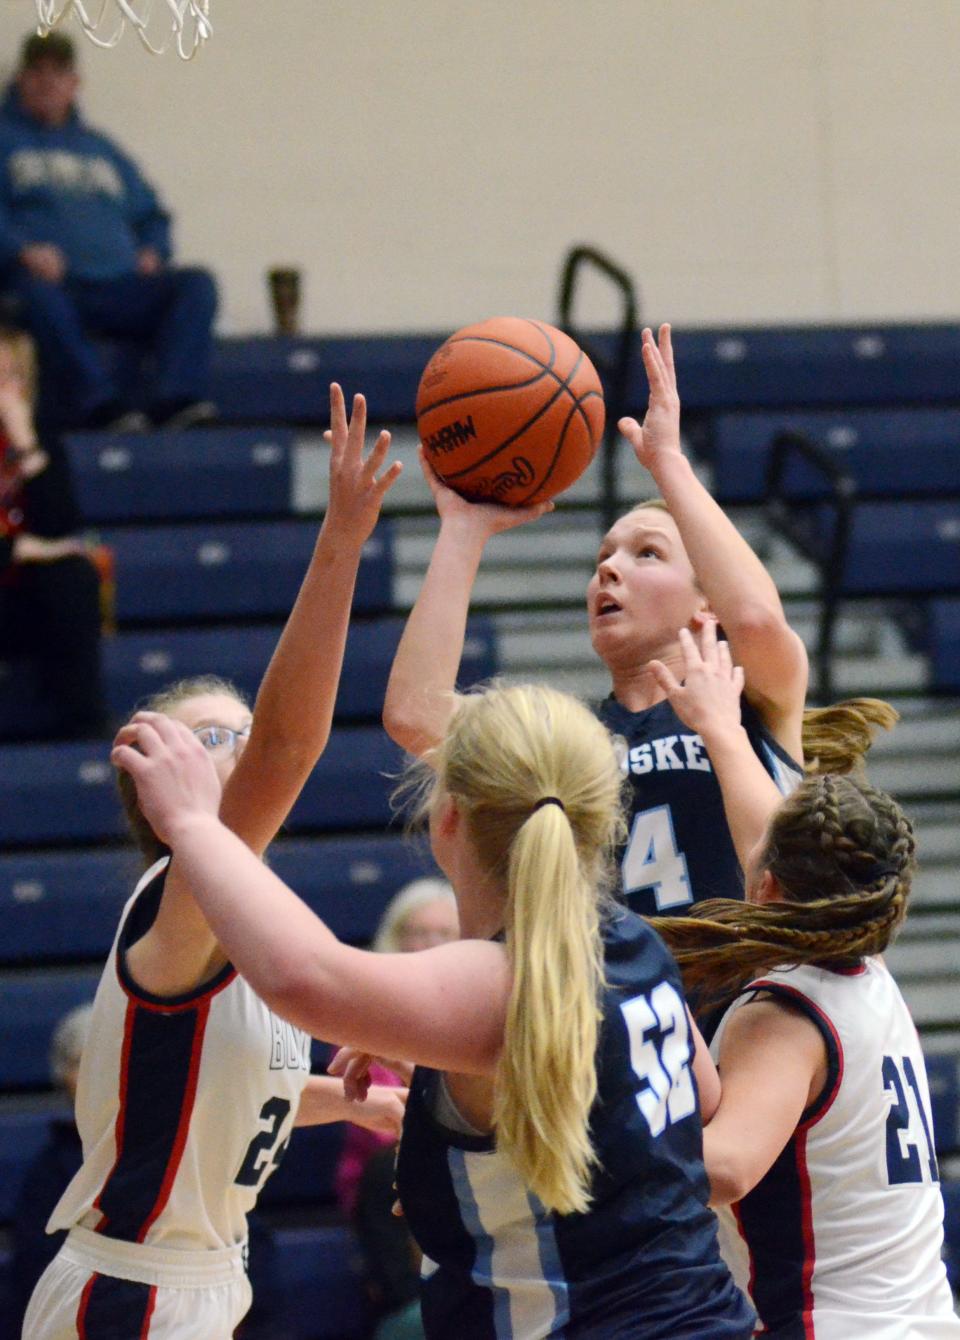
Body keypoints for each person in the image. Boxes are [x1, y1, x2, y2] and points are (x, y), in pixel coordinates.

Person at [111, 681, 756, 1339]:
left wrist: (192, 823)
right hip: (703, 1312)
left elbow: (302, 976)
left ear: (447, 818)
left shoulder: (495, 987)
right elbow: (688, 1107)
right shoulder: (634, 942)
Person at [22, 385, 406, 1340]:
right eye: (205, 739)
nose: (232, 745)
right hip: (134, 1290)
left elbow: (218, 1098)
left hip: (202, 1281)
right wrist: (341, 544)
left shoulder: (231, 912)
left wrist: (351, 1105)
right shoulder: (178, 897)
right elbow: (288, 748)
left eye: (234, 729)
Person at [382, 323, 814, 922]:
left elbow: (759, 620)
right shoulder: (571, 739)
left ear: (706, 602)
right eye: (602, 557)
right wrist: (461, 529)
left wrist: (668, 464)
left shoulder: (754, 695)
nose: (609, 569)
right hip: (623, 1011)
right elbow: (415, 714)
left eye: (647, 554)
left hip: (748, 1007)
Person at [645, 623, 960, 1338]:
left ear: (768, 886)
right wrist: (720, 729)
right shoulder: (864, 971)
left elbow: (724, 1170)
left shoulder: (785, 1013)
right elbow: (770, 833)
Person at [0, 31, 217, 432]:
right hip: (52, 288)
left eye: (58, 73)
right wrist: (21, 249)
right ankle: (100, 405)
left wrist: (154, 249)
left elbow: (152, 215)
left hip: (120, 285)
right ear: (21, 78)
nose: (47, 82)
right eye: (37, 72)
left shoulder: (101, 149)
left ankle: (176, 400)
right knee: (37, 295)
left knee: (196, 284)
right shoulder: (5, 139)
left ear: (74, 83)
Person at [334, 878, 458, 1340]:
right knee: (392, 1164)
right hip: (387, 1194)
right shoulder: (367, 1010)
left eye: (444, 933)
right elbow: (371, 1116)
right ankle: (410, 1301)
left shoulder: (480, 1005)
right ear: (395, 936)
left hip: (453, 1173)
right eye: (418, 931)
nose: (429, 943)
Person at [0, 323, 107, 739]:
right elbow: (40, 543)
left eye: (10, 376)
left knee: (72, 576)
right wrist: (20, 548)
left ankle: (84, 723)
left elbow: (62, 527)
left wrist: (25, 444)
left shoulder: (39, 440)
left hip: (19, 597)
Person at [10, 1004, 92, 1331]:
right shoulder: (49, 1176)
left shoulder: (180, 1151)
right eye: (81, 1063)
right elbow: (36, 1282)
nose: (95, 1077)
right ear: (63, 1077)